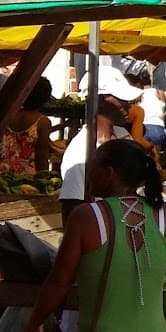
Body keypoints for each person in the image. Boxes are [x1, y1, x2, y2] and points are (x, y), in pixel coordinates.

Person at [27, 139, 166, 332]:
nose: (87, 174)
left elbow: (59, 283)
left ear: (108, 173)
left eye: (92, 167)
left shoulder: (86, 217)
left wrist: (30, 327)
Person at [59, 66, 141, 223]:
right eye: (122, 99)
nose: (129, 105)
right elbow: (72, 212)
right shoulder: (79, 153)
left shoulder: (123, 136)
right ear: (102, 100)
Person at [0, 77, 53, 176]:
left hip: (3, 175)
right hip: (27, 181)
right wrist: (44, 179)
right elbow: (42, 156)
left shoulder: (6, 117)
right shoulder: (42, 122)